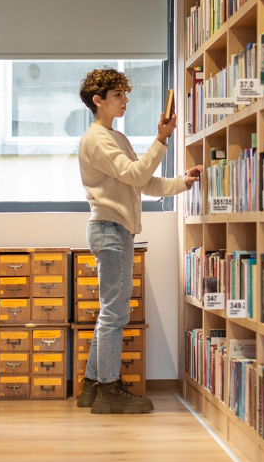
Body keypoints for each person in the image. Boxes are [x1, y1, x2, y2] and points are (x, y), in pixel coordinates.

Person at [75, 69, 202, 414]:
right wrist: (161, 140)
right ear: (97, 100)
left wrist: (181, 183)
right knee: (115, 314)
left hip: (116, 229)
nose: (125, 100)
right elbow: (135, 174)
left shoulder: (117, 139)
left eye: (125, 94)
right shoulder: (97, 139)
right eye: (118, 95)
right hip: (110, 229)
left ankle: (92, 386)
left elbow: (142, 183)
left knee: (109, 312)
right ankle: (108, 389)